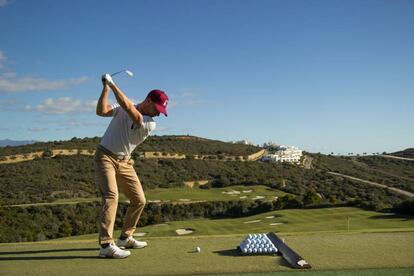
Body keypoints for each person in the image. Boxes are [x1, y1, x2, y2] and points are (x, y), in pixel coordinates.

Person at [94, 73, 168, 258]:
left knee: (139, 200)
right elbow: (101, 111)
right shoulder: (122, 108)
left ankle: (125, 237)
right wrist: (105, 88)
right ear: (148, 100)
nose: (158, 113)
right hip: (105, 156)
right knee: (111, 196)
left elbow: (129, 108)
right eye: (157, 108)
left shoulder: (149, 123)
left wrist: (112, 84)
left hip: (125, 162)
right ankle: (105, 246)